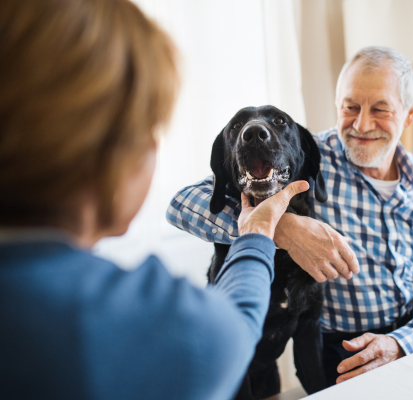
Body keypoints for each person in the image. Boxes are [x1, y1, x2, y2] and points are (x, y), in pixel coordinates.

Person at [0, 0, 310, 399]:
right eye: (150, 128)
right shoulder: (145, 321)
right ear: (118, 151)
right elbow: (231, 331)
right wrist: (258, 234)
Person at [167, 47, 413, 386]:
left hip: (411, 340)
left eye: (380, 109)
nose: (362, 124)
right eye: (350, 107)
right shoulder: (305, 155)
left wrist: (403, 343)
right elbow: (182, 204)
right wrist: (281, 228)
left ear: (410, 113)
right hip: (336, 351)